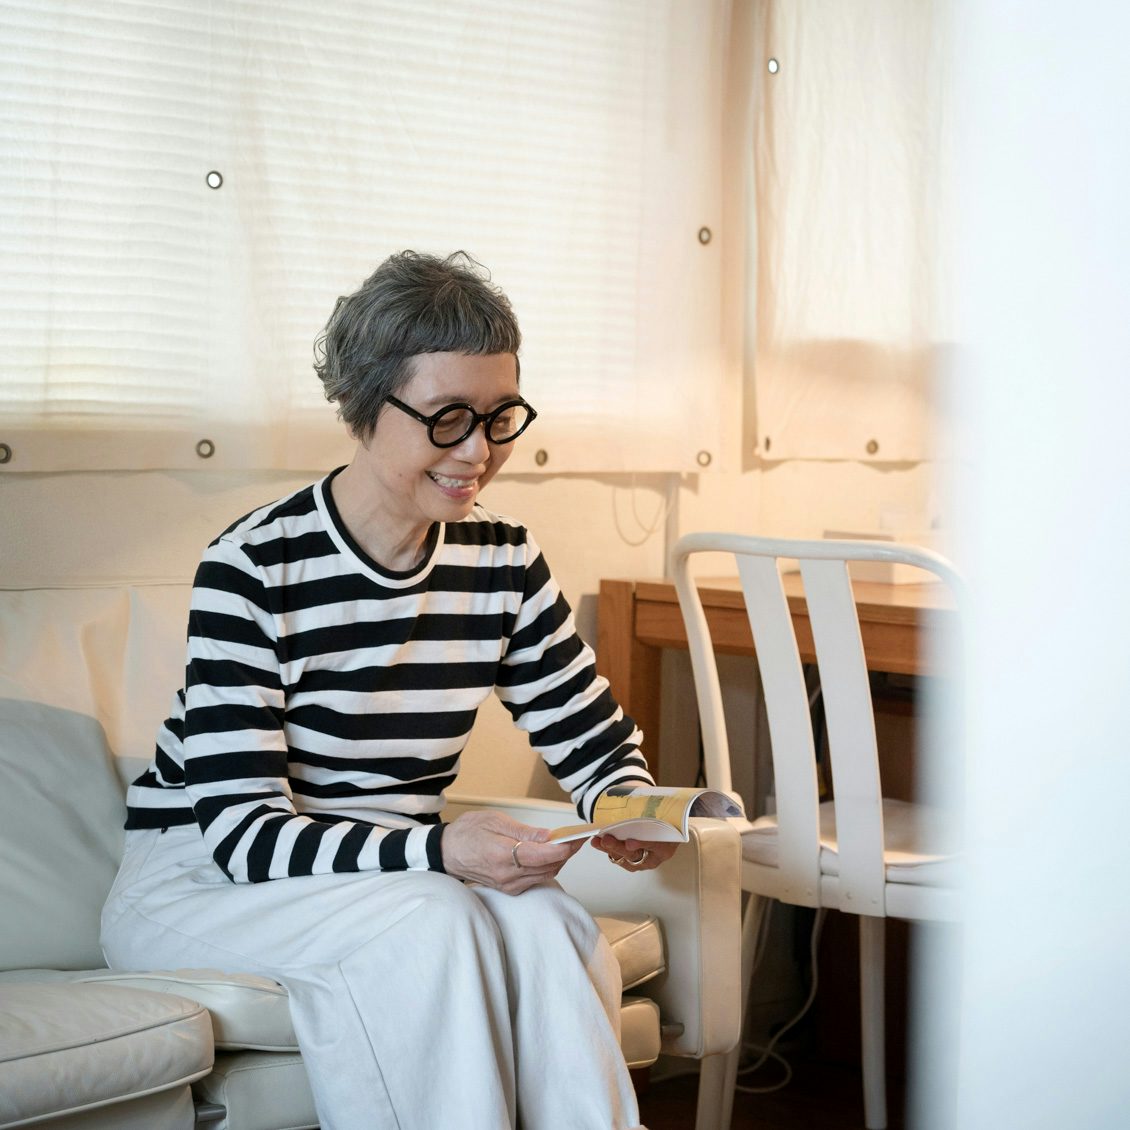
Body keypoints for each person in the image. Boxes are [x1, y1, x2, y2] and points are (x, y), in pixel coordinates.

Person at [101, 250, 677, 1130]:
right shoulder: (253, 566)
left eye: (500, 417)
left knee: (550, 923)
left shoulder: (502, 559)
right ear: (365, 405)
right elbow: (243, 836)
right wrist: (438, 851)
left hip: (385, 872)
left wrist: (629, 805)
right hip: (202, 879)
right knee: (432, 920)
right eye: (448, 419)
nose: (479, 451)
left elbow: (591, 739)